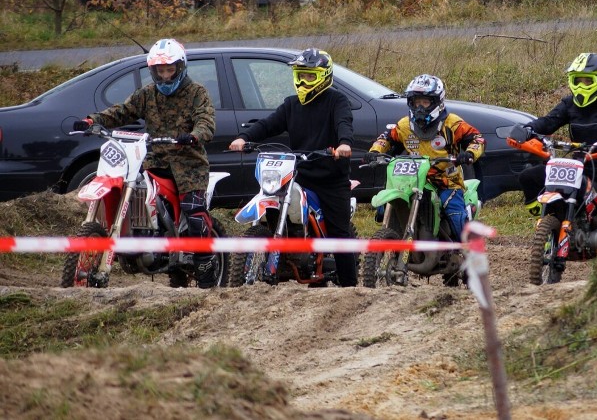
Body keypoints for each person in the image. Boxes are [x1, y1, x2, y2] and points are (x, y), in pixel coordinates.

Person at [72, 38, 218, 287]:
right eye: (159, 71)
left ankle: (205, 265)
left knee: (193, 212)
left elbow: (206, 121)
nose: (164, 76)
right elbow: (122, 111)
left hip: (189, 165)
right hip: (154, 161)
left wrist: (194, 135)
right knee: (137, 193)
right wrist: (92, 121)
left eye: (169, 70)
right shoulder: (147, 94)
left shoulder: (197, 93)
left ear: (180, 68)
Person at [227, 48, 358, 287]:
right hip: (301, 175)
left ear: (323, 76)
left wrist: (344, 144)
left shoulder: (337, 101)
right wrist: (244, 137)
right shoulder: (291, 104)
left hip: (331, 179)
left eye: (309, 75)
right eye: (300, 74)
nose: (303, 80)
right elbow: (268, 124)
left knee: (340, 235)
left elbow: (343, 123)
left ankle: (350, 288)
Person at [517, 52, 597, 235]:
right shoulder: (569, 104)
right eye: (577, 80)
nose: (581, 85)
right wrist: (527, 129)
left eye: (587, 81)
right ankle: (554, 218)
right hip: (576, 165)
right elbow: (548, 121)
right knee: (529, 177)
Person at [364, 74, 485, 242]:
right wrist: (375, 152)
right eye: (416, 102)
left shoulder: (452, 124)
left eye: (425, 102)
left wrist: (470, 153)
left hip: (445, 181)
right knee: (386, 205)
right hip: (411, 180)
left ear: (437, 102)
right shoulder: (404, 125)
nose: (420, 108)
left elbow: (477, 139)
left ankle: (468, 251)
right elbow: (386, 138)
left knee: (454, 213)